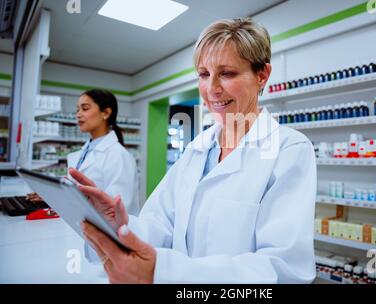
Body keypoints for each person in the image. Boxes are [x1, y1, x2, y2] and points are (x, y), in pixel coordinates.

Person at [71, 18, 317, 284]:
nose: (211, 89)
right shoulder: (197, 149)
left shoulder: (289, 149)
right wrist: (120, 224)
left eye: (227, 73)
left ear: (262, 75)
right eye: (204, 74)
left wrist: (165, 273)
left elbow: (283, 271)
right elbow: (161, 225)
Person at [28, 89, 140, 216]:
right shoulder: (85, 151)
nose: (78, 114)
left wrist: (63, 198)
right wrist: (53, 194)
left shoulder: (119, 156)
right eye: (77, 110)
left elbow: (118, 208)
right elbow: (77, 191)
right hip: (80, 223)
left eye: (85, 108)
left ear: (106, 113)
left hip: (104, 232)